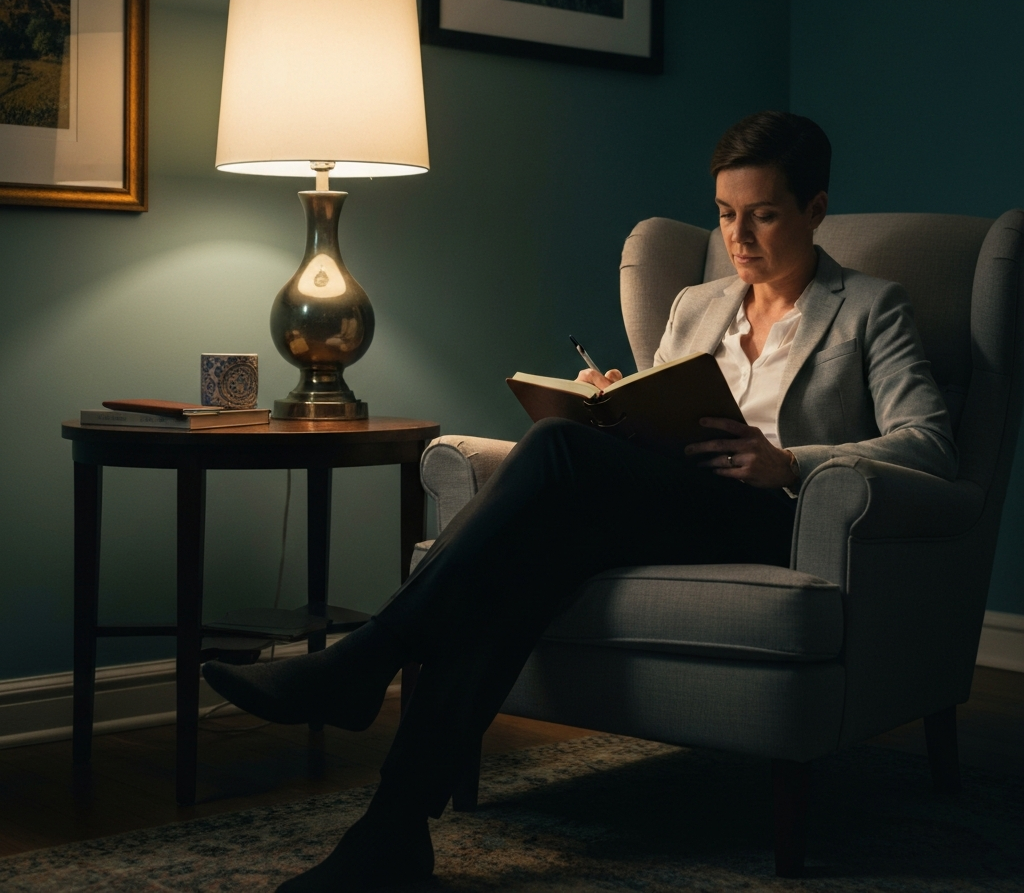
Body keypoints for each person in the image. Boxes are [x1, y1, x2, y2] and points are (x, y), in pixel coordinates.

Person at [203, 111, 956, 892]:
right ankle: (393, 831)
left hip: (775, 516)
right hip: (675, 506)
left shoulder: (871, 307)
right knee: (526, 557)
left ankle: (368, 656)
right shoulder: (698, 305)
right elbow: (667, 411)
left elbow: (930, 442)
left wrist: (789, 460)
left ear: (816, 210)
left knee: (553, 455)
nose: (739, 237)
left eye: (763, 214)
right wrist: (618, 403)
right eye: (727, 214)